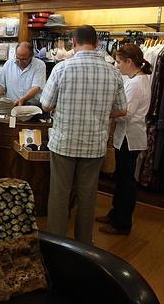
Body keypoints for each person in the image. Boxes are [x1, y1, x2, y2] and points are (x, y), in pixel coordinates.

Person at [40, 25, 127, 245]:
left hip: (64, 141)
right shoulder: (113, 71)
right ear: (97, 44)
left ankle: (56, 245)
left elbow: (46, 104)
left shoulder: (61, 68)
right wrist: (99, 111)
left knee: (59, 194)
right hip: (94, 143)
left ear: (73, 43)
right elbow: (121, 109)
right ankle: (84, 245)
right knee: (88, 196)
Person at [97, 44, 152, 235]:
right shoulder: (136, 79)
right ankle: (115, 214)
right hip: (127, 136)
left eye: (119, 62)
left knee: (126, 181)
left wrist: (105, 112)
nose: (117, 65)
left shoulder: (136, 84)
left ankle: (122, 223)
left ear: (129, 62)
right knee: (121, 179)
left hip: (130, 137)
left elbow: (125, 114)